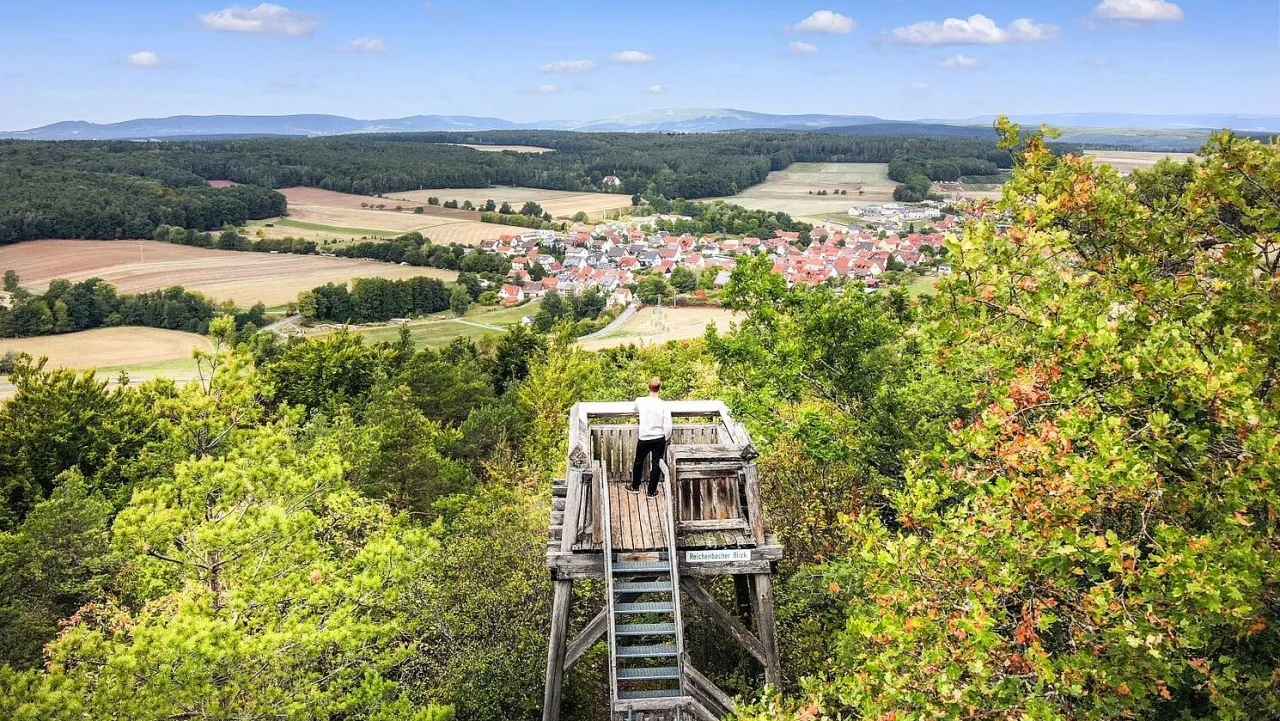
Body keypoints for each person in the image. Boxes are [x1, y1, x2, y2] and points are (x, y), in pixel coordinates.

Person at [628, 377, 672, 497]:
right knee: (656, 463)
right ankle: (651, 491)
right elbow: (668, 425)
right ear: (660, 389)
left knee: (639, 461)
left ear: (648, 387)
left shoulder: (640, 401)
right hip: (659, 438)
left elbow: (635, 407)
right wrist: (665, 437)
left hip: (644, 437)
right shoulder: (664, 405)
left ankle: (635, 486)